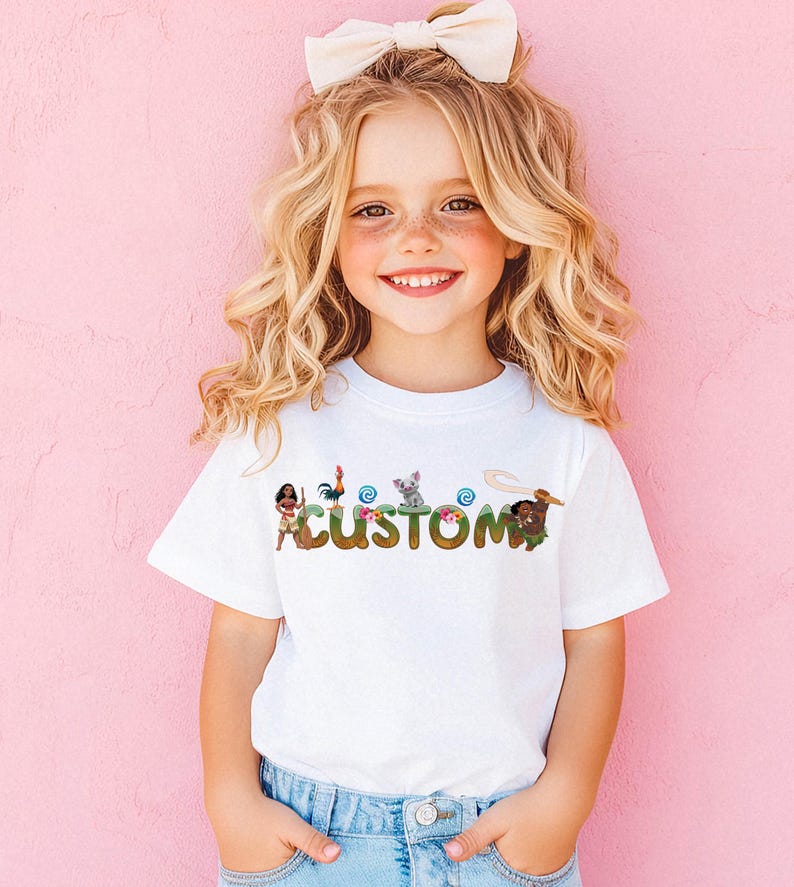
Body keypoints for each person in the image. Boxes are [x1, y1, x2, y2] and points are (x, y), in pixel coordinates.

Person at [145, 1, 670, 884]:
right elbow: (238, 636)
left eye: (457, 201)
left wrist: (563, 801)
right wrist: (229, 800)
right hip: (313, 843)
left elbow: (596, 640)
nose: (415, 237)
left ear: (512, 224)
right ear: (327, 232)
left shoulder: (564, 443)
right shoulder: (280, 431)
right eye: (374, 208)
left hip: (496, 846)